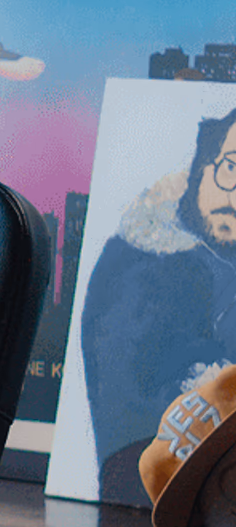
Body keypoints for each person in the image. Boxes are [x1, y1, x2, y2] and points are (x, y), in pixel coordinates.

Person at [84, 106, 236, 505]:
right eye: (232, 168)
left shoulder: (217, 261)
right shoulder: (143, 275)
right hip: (158, 514)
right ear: (203, 166)